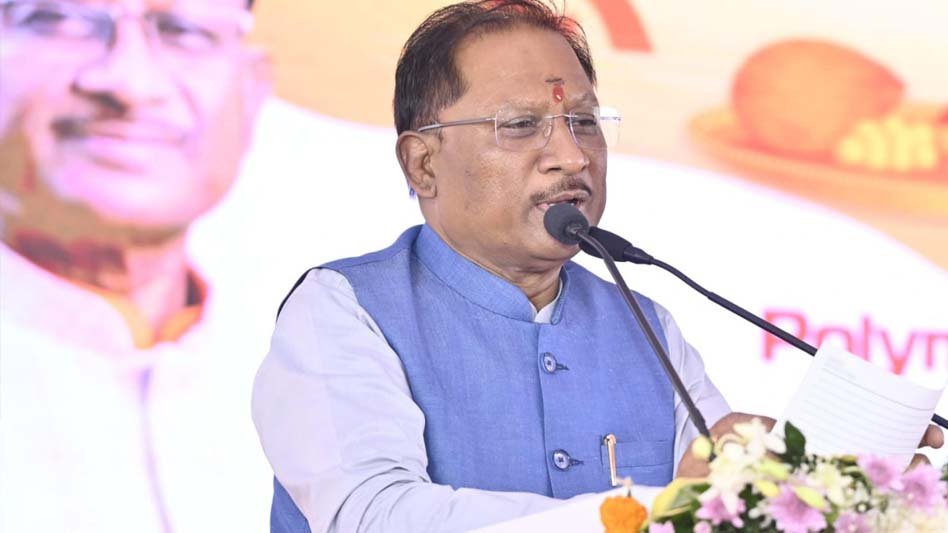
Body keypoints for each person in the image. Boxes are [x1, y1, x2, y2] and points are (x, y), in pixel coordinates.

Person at [251, 2, 943, 532]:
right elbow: (375, 514)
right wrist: (649, 514)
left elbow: (715, 501)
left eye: (584, 122)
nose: (572, 156)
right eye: (520, 125)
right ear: (423, 162)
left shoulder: (646, 325)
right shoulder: (344, 308)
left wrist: (826, 486)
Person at [0, 0, 272, 531]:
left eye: (184, 31)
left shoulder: (339, 389)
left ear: (251, 90)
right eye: (59, 19)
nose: (129, 83)